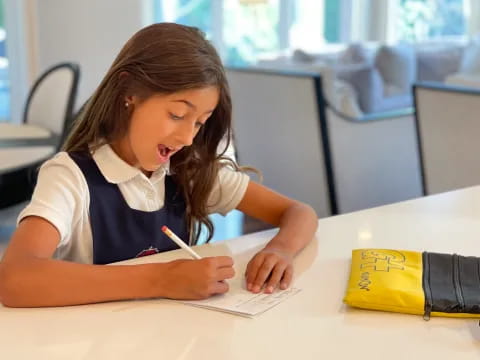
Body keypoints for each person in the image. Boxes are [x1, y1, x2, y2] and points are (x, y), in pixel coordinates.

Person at [0, 23, 318, 308]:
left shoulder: (190, 171)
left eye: (199, 123)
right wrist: (160, 279)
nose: (187, 138)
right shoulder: (70, 177)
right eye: (177, 115)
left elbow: (299, 213)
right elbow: (15, 278)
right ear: (129, 93)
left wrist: (281, 250)